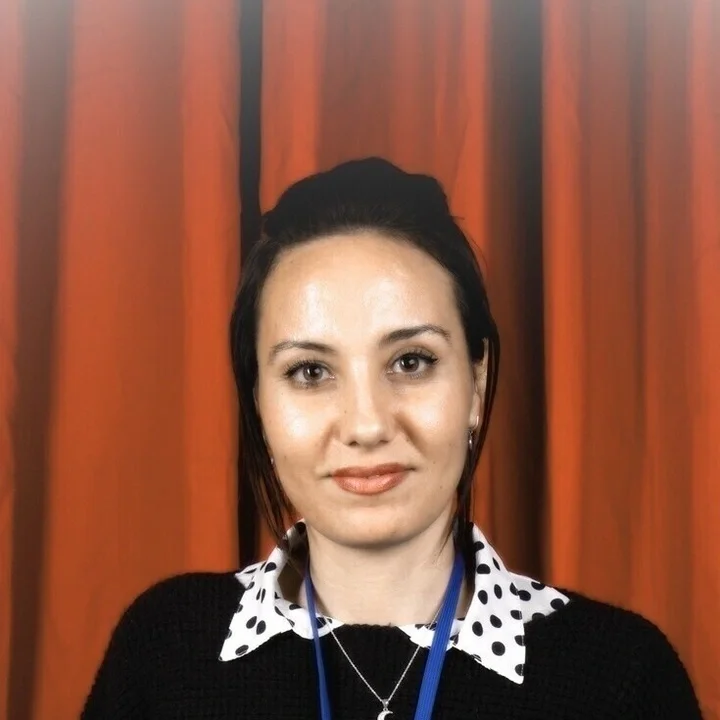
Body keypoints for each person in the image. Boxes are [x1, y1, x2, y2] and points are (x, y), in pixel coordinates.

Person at [82, 158, 702, 719]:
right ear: (259, 404)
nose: (367, 425)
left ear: (478, 385)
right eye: (310, 372)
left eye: (411, 361)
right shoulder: (162, 654)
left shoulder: (621, 678)